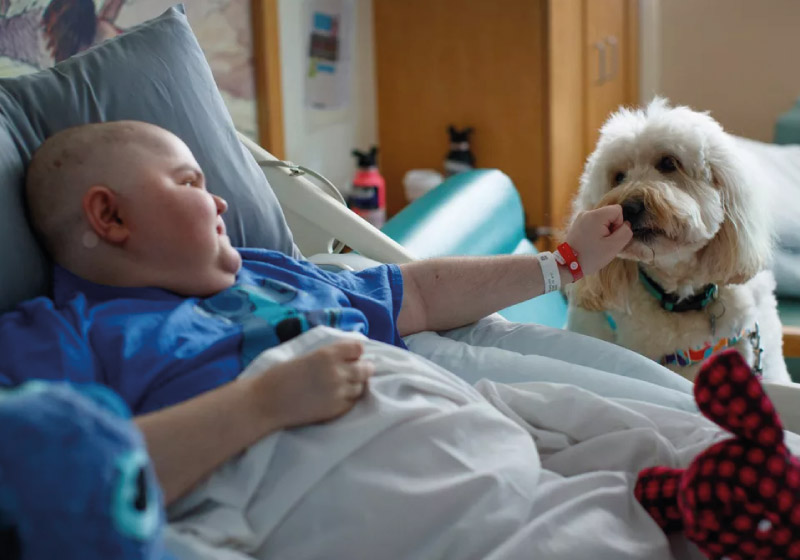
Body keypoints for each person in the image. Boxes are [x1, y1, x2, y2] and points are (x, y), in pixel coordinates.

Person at [0, 121, 633, 506]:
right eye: (189, 183)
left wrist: (569, 263)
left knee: (636, 443)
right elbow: (61, 470)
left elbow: (421, 294)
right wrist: (262, 405)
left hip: (460, 426)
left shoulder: (267, 268)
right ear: (110, 217)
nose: (220, 198)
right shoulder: (65, 334)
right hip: (345, 483)